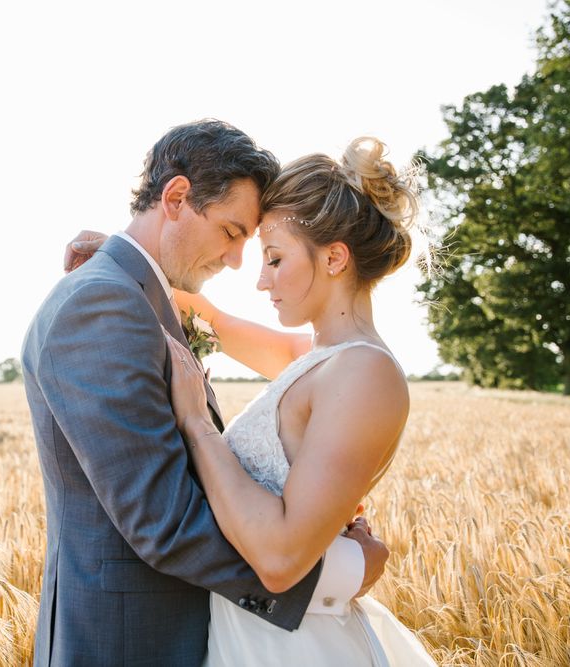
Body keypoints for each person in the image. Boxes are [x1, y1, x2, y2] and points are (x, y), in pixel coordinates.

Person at [22, 119, 389, 667]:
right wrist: (339, 571)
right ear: (176, 198)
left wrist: (139, 271)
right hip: (128, 644)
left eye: (270, 254)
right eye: (233, 233)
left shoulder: (132, 299)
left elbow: (244, 333)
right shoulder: (103, 304)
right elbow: (164, 520)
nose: (244, 265)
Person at [155, 137, 437, 665]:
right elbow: (205, 314)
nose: (260, 280)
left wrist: (197, 424)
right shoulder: (316, 357)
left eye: (275, 259)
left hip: (294, 647)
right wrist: (118, 254)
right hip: (256, 636)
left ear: (334, 258)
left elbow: (282, 558)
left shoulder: (365, 375)